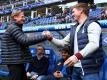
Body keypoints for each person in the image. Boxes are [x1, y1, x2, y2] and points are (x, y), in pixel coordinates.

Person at [43, 3, 105, 80]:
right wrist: (50, 38)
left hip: (90, 69)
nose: (72, 14)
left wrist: (76, 56)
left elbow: (94, 44)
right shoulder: (75, 28)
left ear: (81, 11)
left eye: (73, 11)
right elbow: (62, 43)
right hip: (75, 68)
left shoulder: (92, 24)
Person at [1, 10, 48, 80]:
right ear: (15, 17)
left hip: (16, 61)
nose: (24, 18)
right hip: (14, 61)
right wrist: (44, 36)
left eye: (24, 17)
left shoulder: (15, 27)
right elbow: (25, 41)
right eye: (22, 17)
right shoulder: (14, 28)